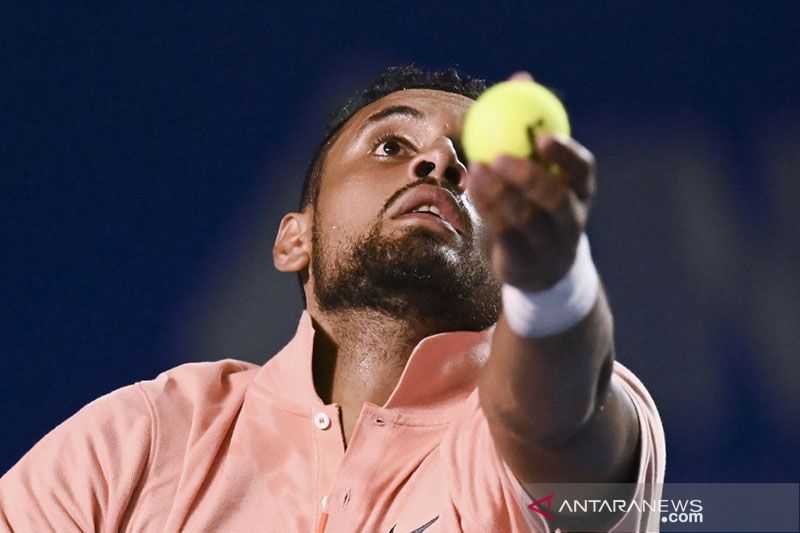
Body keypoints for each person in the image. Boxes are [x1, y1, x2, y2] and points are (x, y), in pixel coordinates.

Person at [0, 65, 665, 532]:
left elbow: (563, 422)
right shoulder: (141, 438)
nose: (438, 164)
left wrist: (553, 281)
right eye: (391, 144)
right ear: (296, 238)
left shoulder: (526, 432)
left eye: (472, 159)